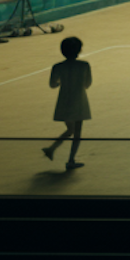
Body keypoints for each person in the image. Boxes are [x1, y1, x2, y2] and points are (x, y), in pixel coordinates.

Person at [43, 36, 92, 171]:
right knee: (76, 133)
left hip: (64, 101)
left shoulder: (57, 67)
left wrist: (62, 82)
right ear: (79, 50)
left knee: (70, 129)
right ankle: (70, 160)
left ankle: (51, 149)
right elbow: (87, 84)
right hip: (79, 101)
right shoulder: (84, 66)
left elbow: (53, 84)